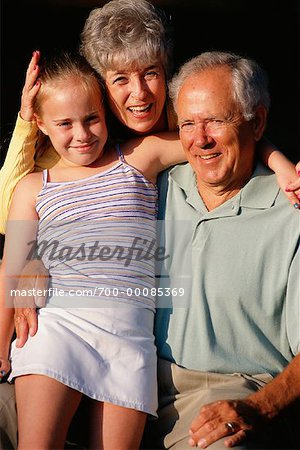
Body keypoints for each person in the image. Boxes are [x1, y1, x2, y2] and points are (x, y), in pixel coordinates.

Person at [0, 51, 188, 449]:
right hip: (56, 327)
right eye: (64, 124)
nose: (82, 134)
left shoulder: (138, 158)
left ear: (106, 112)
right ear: (41, 125)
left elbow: (207, 132)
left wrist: (278, 163)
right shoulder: (35, 186)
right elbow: (12, 268)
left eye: (91, 118)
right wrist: (1, 348)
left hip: (128, 339)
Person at [0, 0, 300, 238]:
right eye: (121, 79)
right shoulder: (81, 139)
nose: (139, 93)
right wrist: (26, 122)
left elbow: (232, 134)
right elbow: (5, 216)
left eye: (150, 73)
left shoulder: (184, 111)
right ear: (102, 84)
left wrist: (280, 164)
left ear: (166, 71)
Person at [140, 51, 300, 450]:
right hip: (127, 378)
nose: (200, 139)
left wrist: (259, 407)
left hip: (226, 392)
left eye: (216, 120)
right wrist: (30, 257)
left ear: (257, 122)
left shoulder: (291, 212)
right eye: (188, 123)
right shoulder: (152, 185)